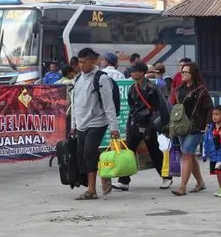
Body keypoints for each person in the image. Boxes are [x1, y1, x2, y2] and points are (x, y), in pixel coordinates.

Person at [112, 62, 173, 191]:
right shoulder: (132, 89)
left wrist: (165, 126)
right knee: (128, 151)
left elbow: (162, 107)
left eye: (134, 71)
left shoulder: (152, 88)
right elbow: (131, 107)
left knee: (154, 151)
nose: (131, 73)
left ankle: (166, 177)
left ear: (142, 72)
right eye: (131, 71)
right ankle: (124, 181)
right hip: (135, 124)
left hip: (148, 124)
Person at [71, 47, 119, 200]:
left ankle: (92, 190)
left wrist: (114, 127)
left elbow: (109, 105)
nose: (81, 65)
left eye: (84, 62)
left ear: (93, 61)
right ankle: (104, 174)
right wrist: (73, 125)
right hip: (81, 123)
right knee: (83, 154)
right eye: (79, 62)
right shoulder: (78, 78)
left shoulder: (101, 78)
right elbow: (75, 103)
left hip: (98, 121)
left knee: (89, 152)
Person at [170, 62, 213, 196]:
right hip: (181, 126)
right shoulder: (179, 89)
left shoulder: (201, 90)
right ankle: (200, 182)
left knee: (187, 153)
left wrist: (208, 124)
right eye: (181, 72)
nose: (182, 74)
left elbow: (209, 108)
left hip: (196, 126)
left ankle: (182, 187)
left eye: (185, 72)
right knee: (189, 154)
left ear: (193, 74)